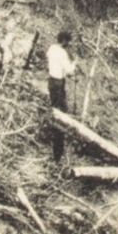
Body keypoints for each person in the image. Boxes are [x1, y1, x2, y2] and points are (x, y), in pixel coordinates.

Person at [46, 30, 79, 162]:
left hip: (52, 82)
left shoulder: (52, 48)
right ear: (64, 41)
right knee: (60, 117)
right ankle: (57, 154)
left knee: (59, 111)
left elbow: (52, 60)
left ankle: (59, 149)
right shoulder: (62, 52)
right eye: (68, 41)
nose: (69, 44)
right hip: (58, 84)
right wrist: (75, 62)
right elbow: (70, 71)